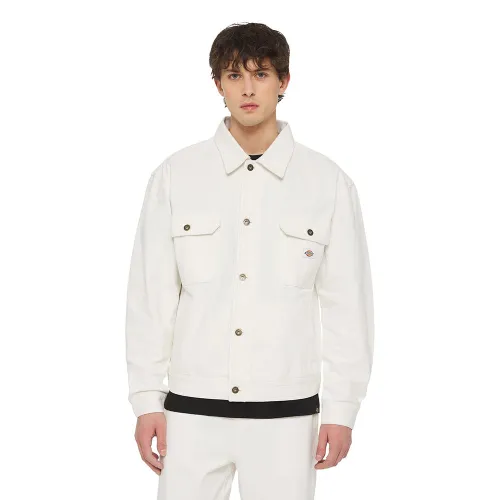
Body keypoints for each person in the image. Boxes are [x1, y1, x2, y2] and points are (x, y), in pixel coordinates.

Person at [125, 21, 374, 500]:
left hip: (287, 420)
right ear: (218, 84)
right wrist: (145, 399)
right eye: (234, 75)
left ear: (283, 81)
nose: (247, 89)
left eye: (260, 74)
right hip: (190, 416)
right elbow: (150, 298)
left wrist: (342, 409)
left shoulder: (327, 183)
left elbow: (348, 306)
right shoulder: (176, 176)